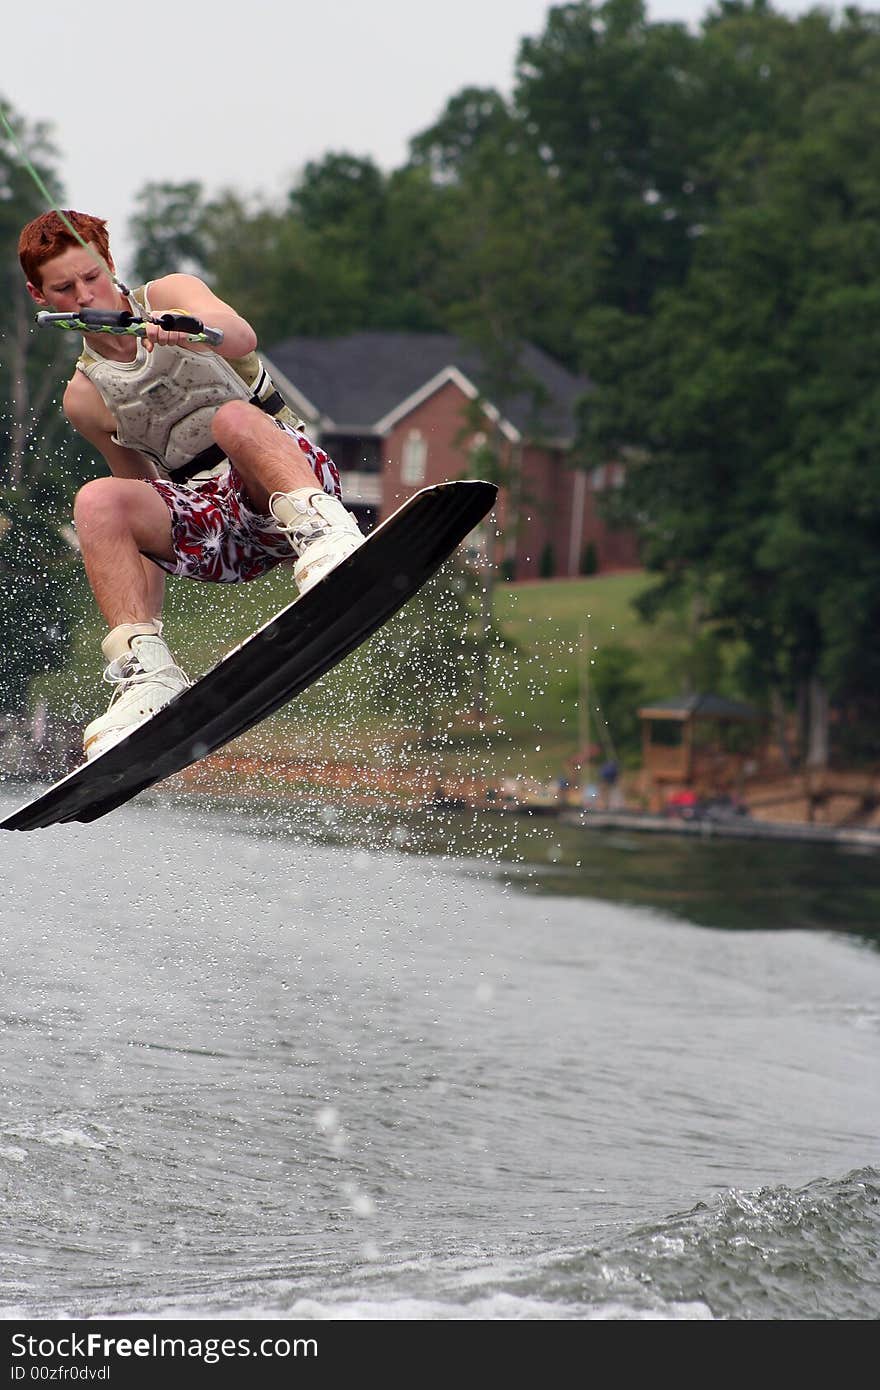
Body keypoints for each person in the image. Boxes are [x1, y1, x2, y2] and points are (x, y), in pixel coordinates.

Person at [18, 209, 364, 760]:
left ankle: (330, 541)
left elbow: (243, 334)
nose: (85, 295)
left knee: (230, 420)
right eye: (64, 287)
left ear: (110, 263)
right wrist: (145, 619)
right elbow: (143, 507)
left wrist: (193, 330)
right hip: (217, 533)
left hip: (287, 484)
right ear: (41, 297)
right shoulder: (85, 398)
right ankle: (148, 676)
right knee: (98, 499)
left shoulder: (172, 293)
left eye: (92, 276)